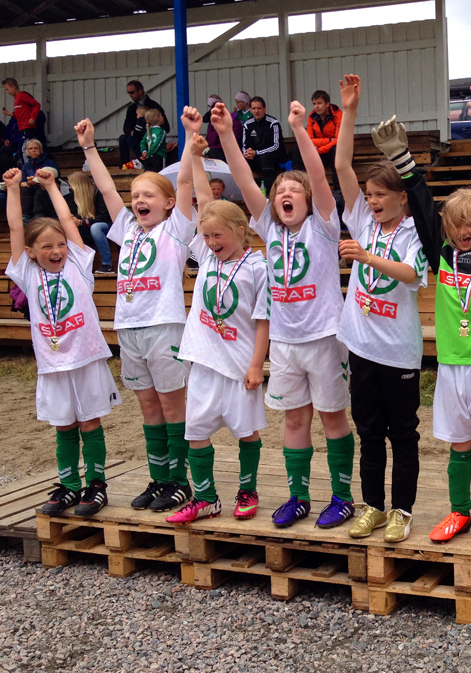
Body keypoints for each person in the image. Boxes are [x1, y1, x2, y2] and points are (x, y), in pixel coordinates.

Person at [369, 111, 471, 547]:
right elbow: (423, 208)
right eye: (457, 224)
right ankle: (460, 510)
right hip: (453, 363)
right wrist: (402, 159)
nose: (464, 230)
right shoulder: (439, 257)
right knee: (459, 443)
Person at [210, 99, 356, 530]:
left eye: (294, 191)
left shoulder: (323, 225)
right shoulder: (270, 228)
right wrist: (226, 134)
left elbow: (318, 176)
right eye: (279, 192)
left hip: (325, 337)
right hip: (285, 342)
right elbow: (243, 178)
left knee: (333, 417)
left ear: (309, 200)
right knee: (294, 419)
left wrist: (299, 129)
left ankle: (343, 497)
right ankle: (299, 496)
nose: (285, 195)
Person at [78, 112, 196, 514]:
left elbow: (184, 182)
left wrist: (191, 136)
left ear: (168, 204)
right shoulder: (128, 229)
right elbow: (106, 188)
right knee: (148, 409)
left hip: (164, 326)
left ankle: (180, 481)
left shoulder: (176, 230)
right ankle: (159, 478)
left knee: (172, 407)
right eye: (137, 195)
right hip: (129, 328)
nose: (140, 200)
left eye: (149, 195)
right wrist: (89, 147)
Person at [332, 75, 428, 543]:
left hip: (399, 351)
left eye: (380, 195)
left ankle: (402, 511)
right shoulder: (362, 220)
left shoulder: (415, 232)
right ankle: (371, 505)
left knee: (402, 434)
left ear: (402, 197)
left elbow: (410, 275)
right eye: (368, 195)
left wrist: (367, 257)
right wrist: (349, 111)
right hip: (362, 346)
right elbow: (341, 165)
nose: (371, 201)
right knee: (368, 432)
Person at [165, 128, 269, 524]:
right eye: (205, 236)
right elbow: (204, 200)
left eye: (218, 235)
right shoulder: (207, 258)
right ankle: (206, 498)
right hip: (204, 362)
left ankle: (247, 490)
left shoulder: (257, 267)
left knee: (247, 432)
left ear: (240, 230)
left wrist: (257, 365)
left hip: (239, 365)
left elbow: (262, 321)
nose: (210, 242)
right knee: (196, 432)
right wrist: (195, 154)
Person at [3, 167, 120, 517]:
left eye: (60, 245)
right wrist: (13, 189)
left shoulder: (78, 265)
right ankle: (69, 485)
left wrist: (53, 186)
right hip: (53, 364)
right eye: (47, 247)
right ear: (31, 252)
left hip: (86, 359)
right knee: (64, 425)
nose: (56, 251)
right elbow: (15, 228)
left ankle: (96, 485)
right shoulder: (27, 273)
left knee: (90, 422)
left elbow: (68, 221)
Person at [67, 172, 114, 274]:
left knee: (96, 228)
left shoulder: (98, 193)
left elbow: (104, 217)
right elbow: (79, 215)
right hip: (89, 226)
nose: (70, 188)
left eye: (71, 185)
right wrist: (74, 220)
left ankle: (107, 265)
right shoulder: (76, 196)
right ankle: (80, 266)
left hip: (107, 225)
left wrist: (81, 222)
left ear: (78, 185)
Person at [119, 80, 169, 167]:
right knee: (123, 138)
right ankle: (124, 165)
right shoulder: (132, 107)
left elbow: (165, 127)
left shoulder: (153, 106)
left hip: (149, 137)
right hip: (136, 135)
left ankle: (144, 160)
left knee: (130, 139)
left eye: (132, 92)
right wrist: (131, 132)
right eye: (128, 93)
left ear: (140, 91)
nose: (130, 95)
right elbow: (126, 126)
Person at [241, 97, 286, 192]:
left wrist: (257, 152)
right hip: (255, 156)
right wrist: (247, 153)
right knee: (241, 160)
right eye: (254, 108)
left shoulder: (273, 123)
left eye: (259, 108)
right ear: (250, 110)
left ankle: (270, 193)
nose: (256, 111)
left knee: (265, 158)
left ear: (264, 109)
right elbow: (244, 145)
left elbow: (276, 145)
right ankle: (246, 193)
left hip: (273, 156)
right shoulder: (247, 124)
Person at [2, 78, 42, 154]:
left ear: (13, 87)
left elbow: (36, 105)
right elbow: (21, 114)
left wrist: (32, 118)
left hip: (27, 127)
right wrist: (11, 114)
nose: (7, 92)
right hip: (21, 128)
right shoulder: (16, 99)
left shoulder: (22, 95)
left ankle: (29, 162)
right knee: (21, 150)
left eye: (7, 89)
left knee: (24, 150)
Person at [19, 139, 58, 216]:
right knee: (24, 190)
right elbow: (23, 181)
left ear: (40, 149)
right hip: (31, 188)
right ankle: (25, 215)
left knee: (39, 192)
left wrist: (39, 181)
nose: (33, 150)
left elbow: (56, 177)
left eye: (36, 148)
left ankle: (39, 215)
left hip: (46, 187)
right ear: (27, 151)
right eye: (31, 148)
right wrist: (26, 183)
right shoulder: (26, 166)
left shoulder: (49, 163)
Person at [204, 95, 226, 160]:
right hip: (212, 144)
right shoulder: (211, 124)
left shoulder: (226, 120)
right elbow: (204, 119)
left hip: (219, 148)